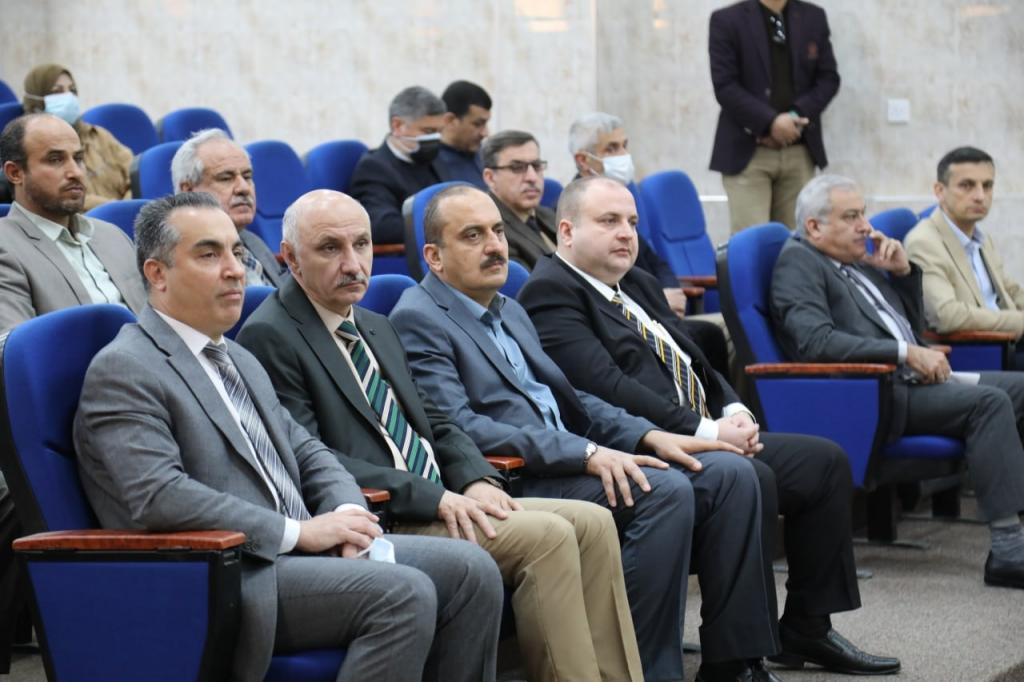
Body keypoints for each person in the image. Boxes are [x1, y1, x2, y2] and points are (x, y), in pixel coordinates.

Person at [73, 191, 503, 682]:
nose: (235, 270)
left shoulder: (235, 356)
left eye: (237, 252)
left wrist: (348, 515)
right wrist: (300, 533)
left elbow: (309, 451)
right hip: (231, 571)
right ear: (157, 273)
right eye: (209, 255)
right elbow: (158, 496)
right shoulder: (125, 368)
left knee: (472, 571)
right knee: (403, 592)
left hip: (301, 552)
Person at [238, 188, 644, 682]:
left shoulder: (373, 323)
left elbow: (437, 420)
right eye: (330, 248)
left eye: (362, 244)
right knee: (548, 537)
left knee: (593, 523)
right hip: (386, 512)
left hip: (444, 494)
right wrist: (436, 497)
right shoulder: (271, 334)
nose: (353, 263)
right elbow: (311, 457)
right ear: (290, 259)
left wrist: (475, 479)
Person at [391, 184, 781, 682]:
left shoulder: (507, 308)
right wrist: (588, 452)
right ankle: (647, 670)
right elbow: (463, 427)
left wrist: (648, 436)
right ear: (434, 257)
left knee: (727, 474)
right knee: (663, 492)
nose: (494, 246)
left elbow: (571, 399)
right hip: (517, 477)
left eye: (497, 231)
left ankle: (731, 665)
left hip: (573, 458)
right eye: (473, 236)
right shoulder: (418, 318)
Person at [520, 176, 900, 676]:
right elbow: (607, 387)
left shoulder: (635, 282)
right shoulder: (551, 292)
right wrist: (709, 433)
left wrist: (733, 410)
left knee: (823, 462)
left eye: (631, 222)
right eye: (608, 221)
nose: (626, 234)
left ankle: (806, 627)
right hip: (639, 446)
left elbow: (694, 360)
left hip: (699, 431)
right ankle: (733, 661)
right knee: (750, 476)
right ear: (567, 231)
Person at [771, 174, 1024, 591]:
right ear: (814, 226)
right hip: (878, 394)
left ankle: (1014, 516)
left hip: (916, 378)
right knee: (990, 403)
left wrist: (903, 274)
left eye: (863, 214)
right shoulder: (799, 263)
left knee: (1019, 388)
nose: (865, 227)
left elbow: (908, 326)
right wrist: (906, 354)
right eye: (851, 217)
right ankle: (1008, 552)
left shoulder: (855, 261)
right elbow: (815, 343)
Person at [0, 113, 145, 331]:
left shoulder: (114, 235)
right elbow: (15, 346)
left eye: (78, 159)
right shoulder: (5, 246)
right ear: (15, 173)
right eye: (55, 160)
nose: (76, 172)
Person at [709, 0, 839, 232]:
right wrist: (771, 123)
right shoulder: (727, 20)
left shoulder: (813, 17)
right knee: (752, 241)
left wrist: (795, 115)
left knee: (797, 241)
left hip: (799, 150)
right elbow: (725, 86)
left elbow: (828, 79)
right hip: (747, 153)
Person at [904, 147, 1024, 337]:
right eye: (967, 186)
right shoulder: (924, 243)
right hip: (982, 347)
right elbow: (946, 315)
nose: (980, 196)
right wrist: (1019, 321)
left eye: (987, 185)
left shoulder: (982, 238)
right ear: (939, 191)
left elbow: (1010, 290)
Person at [172, 128, 285, 286]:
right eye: (226, 178)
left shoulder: (253, 242)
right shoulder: (177, 256)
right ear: (189, 191)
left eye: (247, 177)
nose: (243, 188)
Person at [21, 63, 132, 210]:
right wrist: (114, 209)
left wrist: (129, 207)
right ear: (37, 101)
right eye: (57, 92)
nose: (68, 97)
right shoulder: (32, 146)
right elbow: (60, 195)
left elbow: (134, 172)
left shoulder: (96, 134)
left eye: (72, 90)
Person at [350, 86, 450, 244]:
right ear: (397, 126)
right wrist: (449, 225)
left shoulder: (436, 157)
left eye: (439, 131)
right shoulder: (374, 168)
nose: (436, 138)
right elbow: (383, 226)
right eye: (428, 131)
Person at [438, 80, 491, 189]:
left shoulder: (485, 159)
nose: (485, 133)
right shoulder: (428, 165)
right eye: (477, 124)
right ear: (450, 120)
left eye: (485, 124)